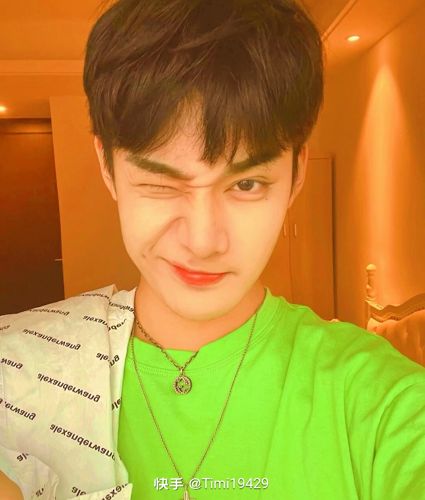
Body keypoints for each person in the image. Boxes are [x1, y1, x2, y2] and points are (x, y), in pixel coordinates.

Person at [1, 0, 424, 499]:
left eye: (246, 184)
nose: (203, 241)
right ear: (106, 167)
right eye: (160, 183)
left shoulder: (379, 400)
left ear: (297, 174)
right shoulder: (18, 375)